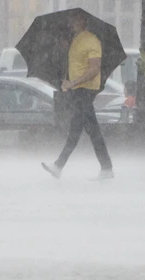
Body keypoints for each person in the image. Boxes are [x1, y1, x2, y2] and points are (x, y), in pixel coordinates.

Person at [41, 14, 114, 180]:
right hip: (78, 90)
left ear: (82, 21)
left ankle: (59, 165)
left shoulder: (92, 41)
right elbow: (75, 64)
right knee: (93, 131)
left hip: (85, 90)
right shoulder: (75, 40)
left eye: (74, 20)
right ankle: (107, 168)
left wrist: (73, 83)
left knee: (75, 129)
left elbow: (95, 69)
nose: (71, 22)